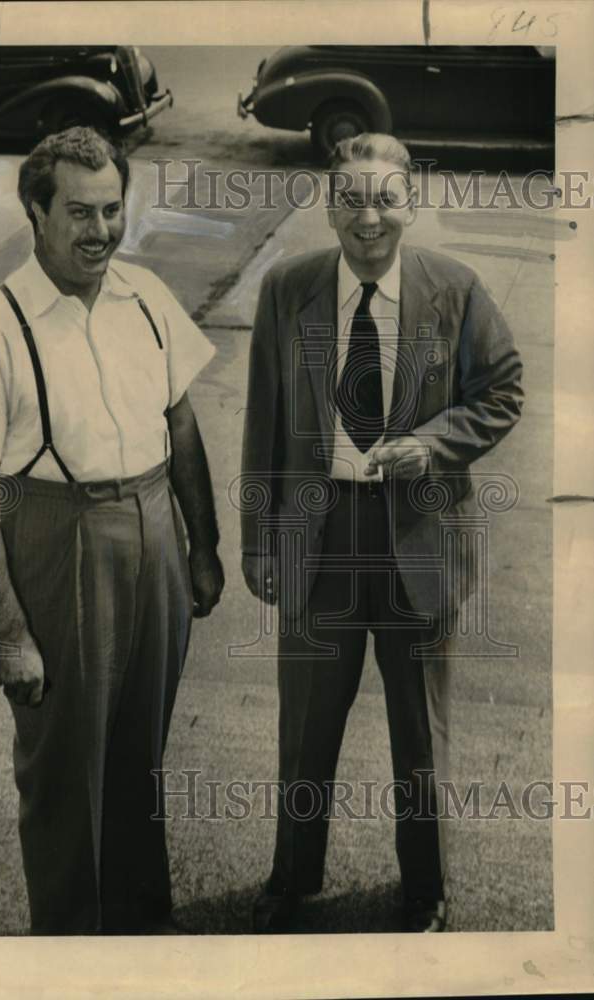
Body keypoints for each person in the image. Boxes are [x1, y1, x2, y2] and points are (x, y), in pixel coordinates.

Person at [0, 126, 224, 935]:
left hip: (155, 530)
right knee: (63, 763)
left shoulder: (146, 297)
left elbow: (183, 424)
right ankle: (66, 943)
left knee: (140, 748)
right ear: (35, 211)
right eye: (79, 213)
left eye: (111, 210)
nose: (100, 231)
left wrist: (202, 547)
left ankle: (138, 924)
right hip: (59, 539)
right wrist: (10, 632)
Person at [240, 133, 523, 933]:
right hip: (318, 537)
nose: (369, 218)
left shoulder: (456, 289)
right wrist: (258, 541)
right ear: (329, 205)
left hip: (416, 539)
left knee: (419, 734)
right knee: (305, 726)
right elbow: (262, 420)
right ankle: (292, 879)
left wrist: (431, 442)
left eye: (385, 199)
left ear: (410, 201)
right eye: (351, 200)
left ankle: (425, 893)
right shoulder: (286, 289)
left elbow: (502, 389)